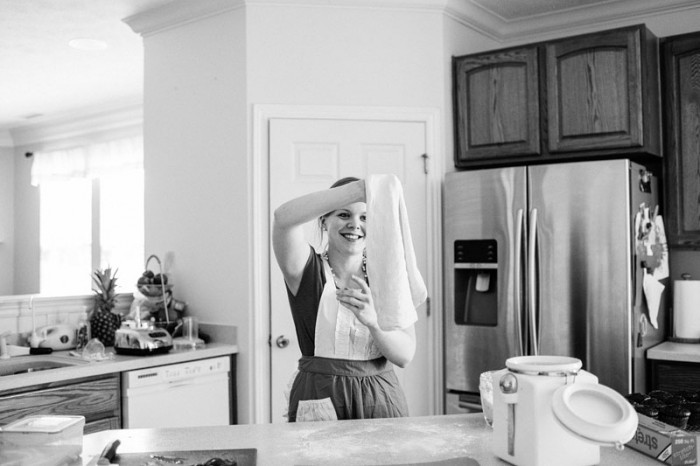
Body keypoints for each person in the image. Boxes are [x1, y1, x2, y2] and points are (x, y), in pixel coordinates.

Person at [272, 176, 416, 422]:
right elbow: (283, 218)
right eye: (343, 215)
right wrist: (361, 190)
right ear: (324, 221)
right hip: (319, 396)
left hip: (380, 399)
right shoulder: (305, 270)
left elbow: (405, 355)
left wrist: (374, 322)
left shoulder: (390, 277)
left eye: (365, 217)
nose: (355, 225)